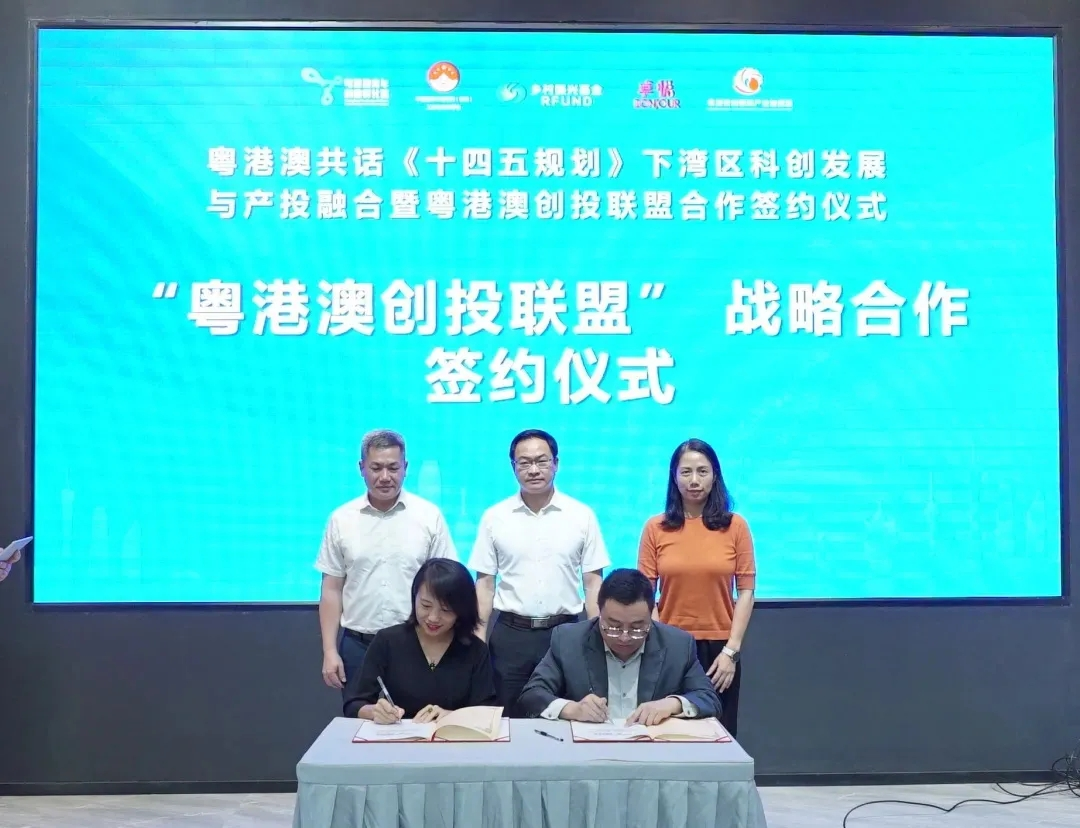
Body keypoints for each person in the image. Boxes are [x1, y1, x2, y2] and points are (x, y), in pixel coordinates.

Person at [469, 429, 610, 716]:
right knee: (507, 717)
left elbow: (593, 584)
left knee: (568, 714)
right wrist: (477, 639)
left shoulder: (581, 515)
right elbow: (484, 585)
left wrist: (599, 636)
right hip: (511, 635)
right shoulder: (494, 517)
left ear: (556, 463)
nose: (533, 470)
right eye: (524, 462)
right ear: (513, 467)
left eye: (541, 461)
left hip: (566, 633)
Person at [316, 429, 457, 696]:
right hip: (358, 645)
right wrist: (329, 650)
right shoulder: (341, 519)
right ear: (361, 468)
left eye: (393, 468)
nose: (385, 477)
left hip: (418, 643)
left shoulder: (429, 517)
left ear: (405, 468)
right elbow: (331, 589)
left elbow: (447, 585)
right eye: (376, 468)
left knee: (419, 719)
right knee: (358, 717)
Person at [637, 438, 756, 738]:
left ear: (715, 475)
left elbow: (746, 591)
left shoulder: (735, 526)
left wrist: (731, 652)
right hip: (671, 644)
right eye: (686, 472)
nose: (694, 480)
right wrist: (660, 645)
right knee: (669, 733)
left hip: (719, 650)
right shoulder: (655, 527)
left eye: (702, 471)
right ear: (674, 476)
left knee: (719, 733)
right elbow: (645, 594)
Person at [518, 568, 720, 724]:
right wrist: (573, 709)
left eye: (637, 628)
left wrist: (672, 704)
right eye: (613, 627)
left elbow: (708, 699)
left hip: (653, 753)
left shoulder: (677, 645)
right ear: (599, 613)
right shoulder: (569, 640)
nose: (624, 637)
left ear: (651, 616)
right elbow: (532, 695)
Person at [343, 558, 496, 722]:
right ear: (414, 597)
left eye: (446, 610)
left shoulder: (475, 650)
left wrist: (452, 716)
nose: (433, 618)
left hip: (453, 735)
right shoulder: (388, 641)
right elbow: (354, 703)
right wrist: (374, 712)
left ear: (461, 610)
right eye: (425, 605)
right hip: (399, 734)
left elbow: (487, 711)